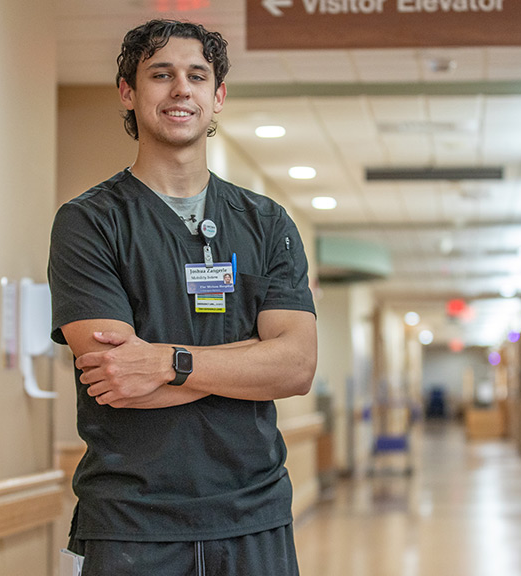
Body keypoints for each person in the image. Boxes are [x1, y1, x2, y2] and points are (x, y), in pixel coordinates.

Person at [48, 18, 317, 576]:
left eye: (197, 76)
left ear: (217, 97)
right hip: (132, 521)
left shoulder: (267, 223)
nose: (180, 89)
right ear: (128, 91)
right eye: (160, 74)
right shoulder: (89, 223)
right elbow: (119, 378)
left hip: (255, 513)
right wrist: (249, 363)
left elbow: (296, 366)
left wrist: (167, 362)